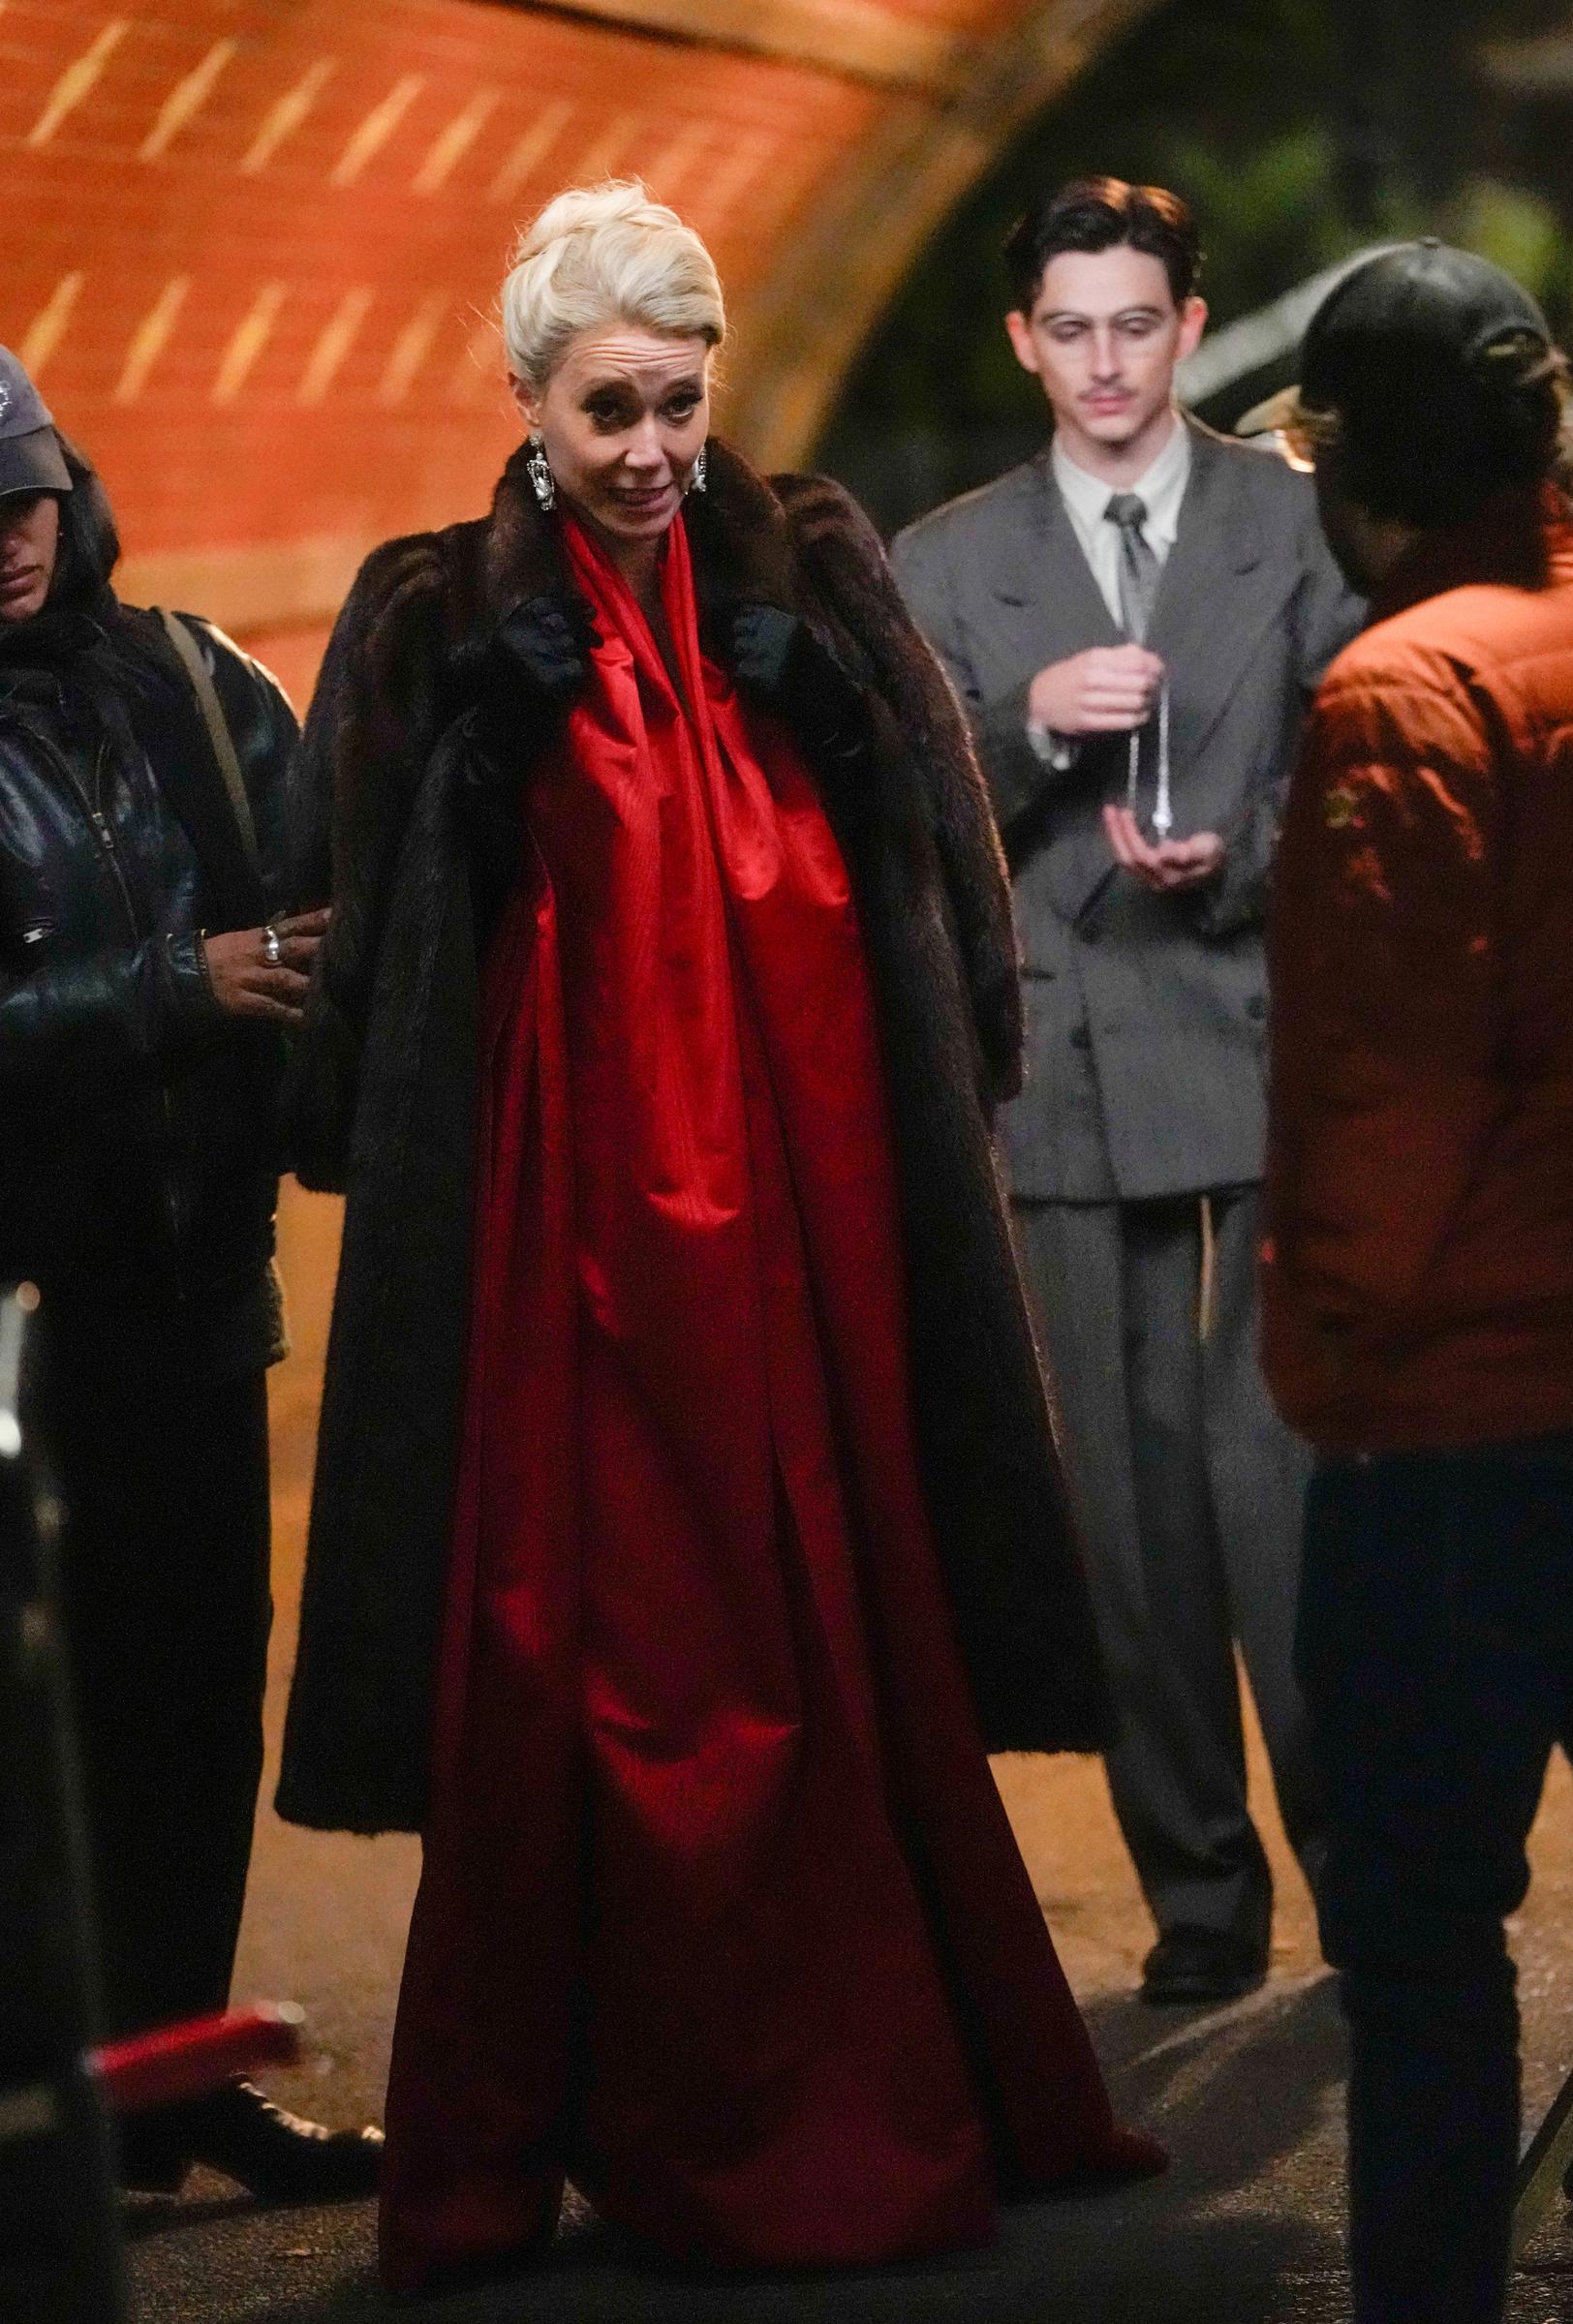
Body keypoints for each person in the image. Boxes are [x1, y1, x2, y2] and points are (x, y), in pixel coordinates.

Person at [274, 179, 1163, 2293]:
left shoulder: (815, 573)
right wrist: (474, 790)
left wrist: (844, 729)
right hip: (558, 1252)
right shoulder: (427, 619)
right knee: (580, 1654)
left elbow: (947, 896)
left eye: (681, 402)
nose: (657, 451)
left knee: (836, 1626)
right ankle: (580, 2122)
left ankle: (880, 2082)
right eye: (611, 413)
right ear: (524, 404)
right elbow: (365, 977)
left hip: (815, 1227)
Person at [892, 178, 1361, 2005]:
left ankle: (1361, 1868)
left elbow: (1362, 746)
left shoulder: (1297, 526)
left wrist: (1239, 852)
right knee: (1129, 1511)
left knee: (1287, 1487)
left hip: (1267, 1031)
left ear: (1187, 324)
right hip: (1067, 1060)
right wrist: (1028, 733)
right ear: (1027, 341)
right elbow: (903, 836)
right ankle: (1201, 1895)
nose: (1105, 361)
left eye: (1137, 324)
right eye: (1069, 328)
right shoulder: (944, 563)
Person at [0, 348, 382, 2201]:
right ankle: (46, 2104)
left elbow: (328, 876)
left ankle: (168, 2076)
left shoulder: (192, 679)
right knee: (38, 1730)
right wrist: (175, 985)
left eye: (22, 501)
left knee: (193, 1693)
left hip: (192, 1285)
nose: (5, 545)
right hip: (21, 1317)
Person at [1262, 240, 1573, 2324]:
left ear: (1352, 461)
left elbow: (1386, 1092)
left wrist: (1321, 1354)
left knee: (1419, 1933)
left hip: (1455, 1426)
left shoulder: (1402, 691)